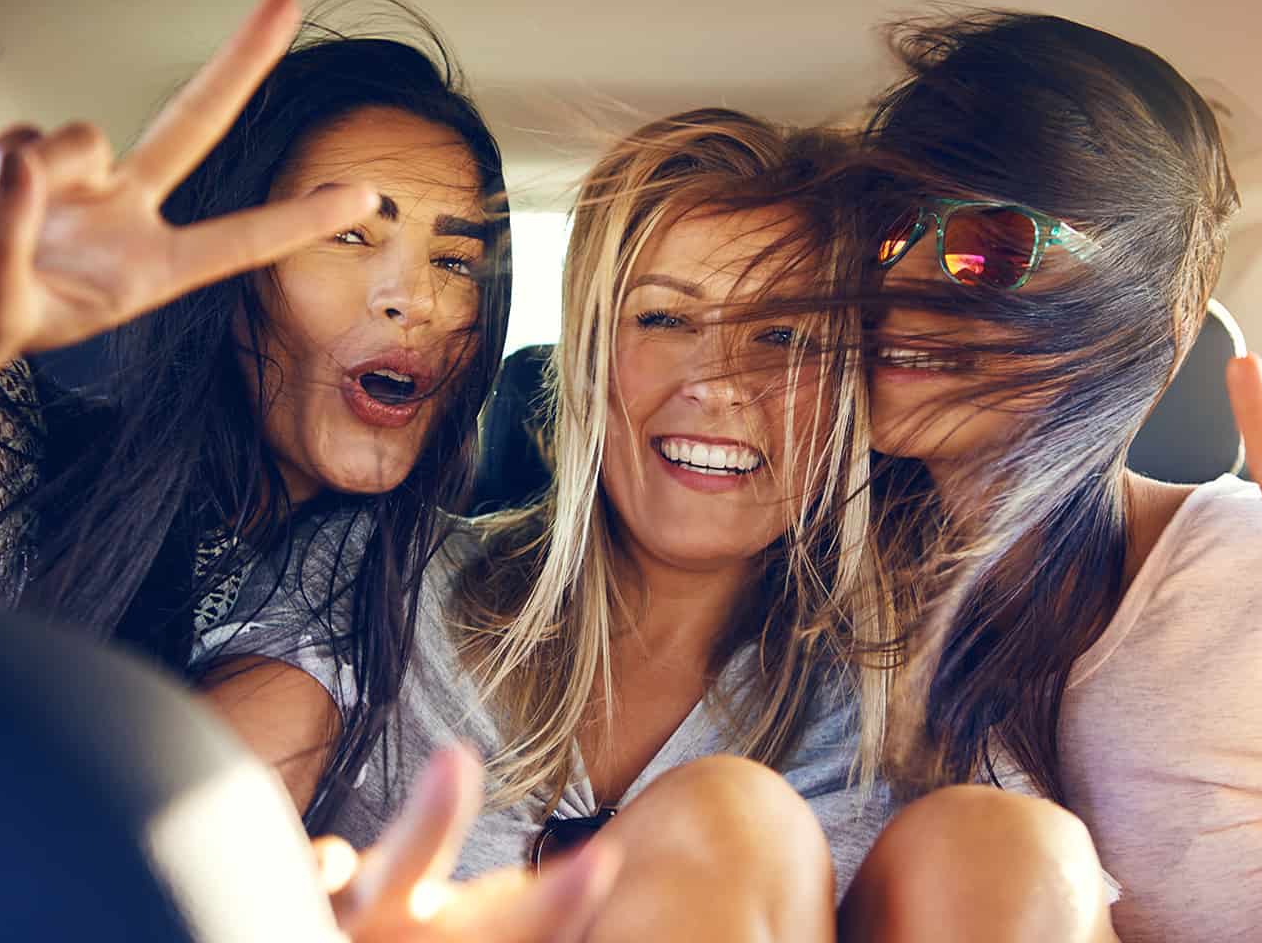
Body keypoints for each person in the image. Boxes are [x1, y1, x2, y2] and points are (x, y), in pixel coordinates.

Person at [203, 107, 908, 941]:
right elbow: (189, 837)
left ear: (854, 388)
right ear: (587, 357)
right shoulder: (383, 576)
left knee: (735, 814)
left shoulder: (906, 700)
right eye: (663, 318)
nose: (719, 382)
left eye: (784, 334)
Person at [0, 0, 510, 827]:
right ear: (223, 268)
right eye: (347, 235)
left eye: (456, 258)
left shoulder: (408, 584)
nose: (420, 301)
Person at [852, 10, 1262, 941]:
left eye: (991, 245)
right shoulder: (817, 612)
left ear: (1148, 319)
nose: (907, 276)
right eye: (889, 230)